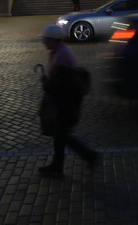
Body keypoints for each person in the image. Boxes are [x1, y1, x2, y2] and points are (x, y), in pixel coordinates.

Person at [37, 24, 97, 176]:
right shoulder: (58, 51)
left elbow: (60, 84)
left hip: (65, 102)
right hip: (65, 100)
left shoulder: (61, 56)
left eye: (46, 39)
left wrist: (46, 84)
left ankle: (89, 155)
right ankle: (58, 165)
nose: (44, 42)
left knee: (62, 134)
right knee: (60, 134)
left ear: (54, 40)